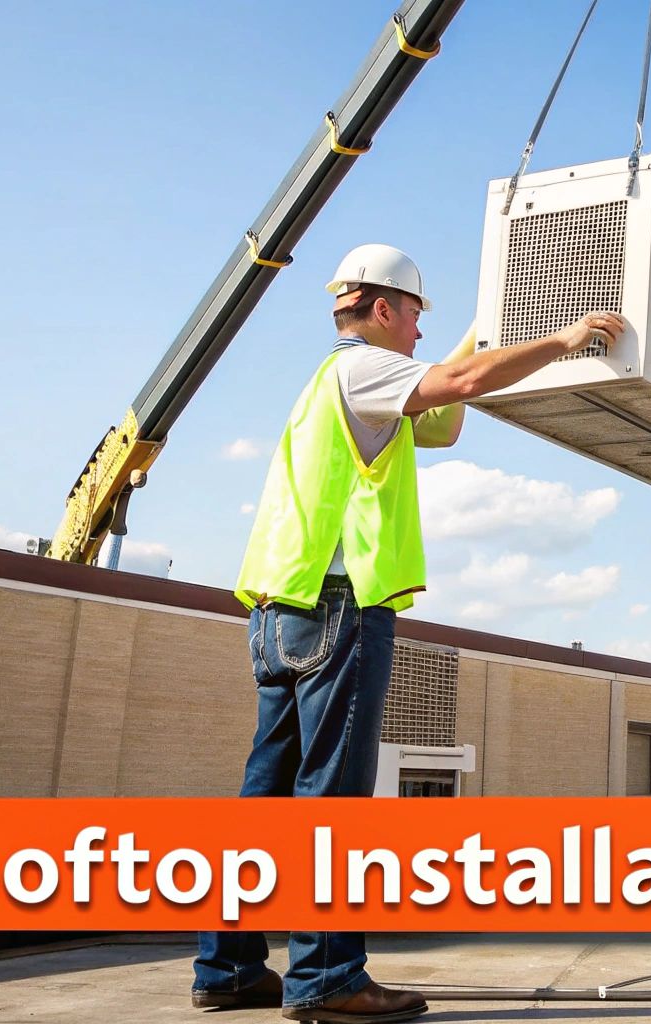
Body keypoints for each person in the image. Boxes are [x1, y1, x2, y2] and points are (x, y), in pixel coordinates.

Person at [192, 243, 626, 1023]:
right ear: (385, 308)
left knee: (267, 800)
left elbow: (444, 423)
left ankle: (227, 968)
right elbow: (459, 385)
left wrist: (486, 328)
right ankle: (328, 978)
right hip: (339, 608)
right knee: (332, 798)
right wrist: (563, 338)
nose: (422, 332)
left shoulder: (333, 383)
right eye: (418, 315)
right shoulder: (364, 370)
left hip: (281, 607)